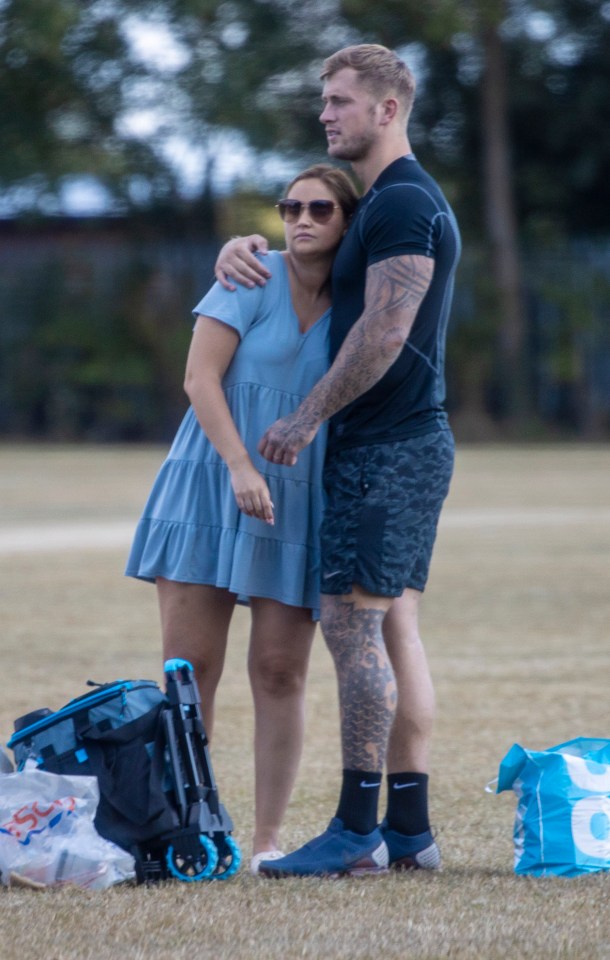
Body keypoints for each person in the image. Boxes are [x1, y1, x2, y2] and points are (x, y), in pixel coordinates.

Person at [214, 43, 461, 877]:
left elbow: (385, 330)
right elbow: (311, 258)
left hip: (385, 446)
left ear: (388, 109)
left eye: (340, 101)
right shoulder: (396, 201)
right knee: (392, 629)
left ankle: (358, 829)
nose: (326, 114)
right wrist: (245, 244)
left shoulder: (398, 204)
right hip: (408, 442)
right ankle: (411, 831)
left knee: (354, 629)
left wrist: (307, 416)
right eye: (324, 101)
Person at [125, 164, 359, 874]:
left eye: (321, 208)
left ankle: (265, 843)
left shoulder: (364, 296)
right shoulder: (248, 275)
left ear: (350, 221)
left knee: (282, 670)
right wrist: (239, 466)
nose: (302, 219)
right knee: (190, 671)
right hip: (210, 481)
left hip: (296, 497)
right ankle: (190, 830)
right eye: (290, 207)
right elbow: (198, 379)